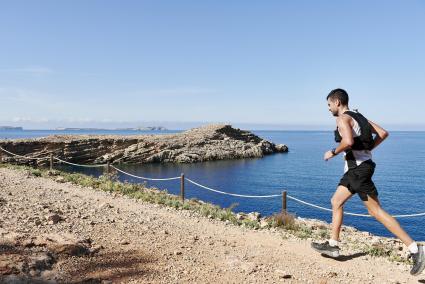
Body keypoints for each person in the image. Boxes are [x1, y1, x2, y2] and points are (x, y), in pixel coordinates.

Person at [311, 88, 424, 276]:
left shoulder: (342, 118)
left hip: (358, 171)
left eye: (329, 105)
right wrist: (367, 148)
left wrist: (332, 152)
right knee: (336, 201)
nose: (328, 109)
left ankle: (415, 249)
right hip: (357, 169)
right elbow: (383, 133)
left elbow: (347, 141)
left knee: (375, 211)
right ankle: (333, 245)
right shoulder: (359, 116)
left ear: (337, 102)